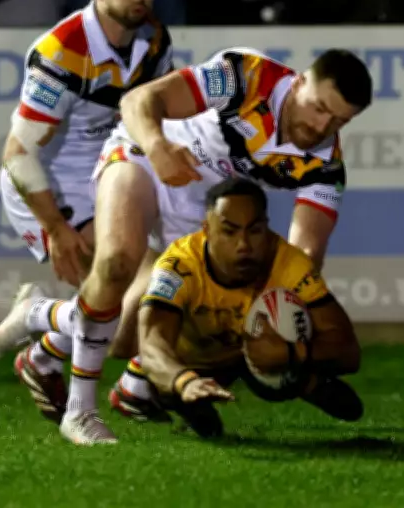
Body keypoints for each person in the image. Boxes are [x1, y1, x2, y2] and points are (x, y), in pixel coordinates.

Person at [0, 46, 372, 444]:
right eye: (318, 108)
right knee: (116, 264)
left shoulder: (326, 166)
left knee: (127, 332)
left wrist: (271, 322)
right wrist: (157, 146)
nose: (322, 126)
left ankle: (43, 329)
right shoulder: (245, 75)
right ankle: (80, 412)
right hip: (146, 158)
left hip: (200, 212)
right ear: (300, 82)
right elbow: (138, 100)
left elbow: (304, 258)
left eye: (339, 120)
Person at [0, 0, 173, 423]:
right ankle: (61, 349)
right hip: (51, 184)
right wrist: (57, 227)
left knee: (159, 282)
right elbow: (18, 154)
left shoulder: (154, 38)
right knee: (123, 302)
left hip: (110, 170)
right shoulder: (61, 50)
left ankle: (44, 348)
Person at [126, 177, 362, 438]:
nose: (244, 245)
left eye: (255, 231)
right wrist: (185, 382)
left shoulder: (290, 264)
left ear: (267, 228)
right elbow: (151, 342)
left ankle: (303, 383)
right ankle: (172, 398)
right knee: (163, 384)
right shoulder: (178, 266)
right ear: (206, 230)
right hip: (197, 362)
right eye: (229, 232)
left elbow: (349, 352)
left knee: (281, 381)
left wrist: (293, 353)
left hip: (253, 358)